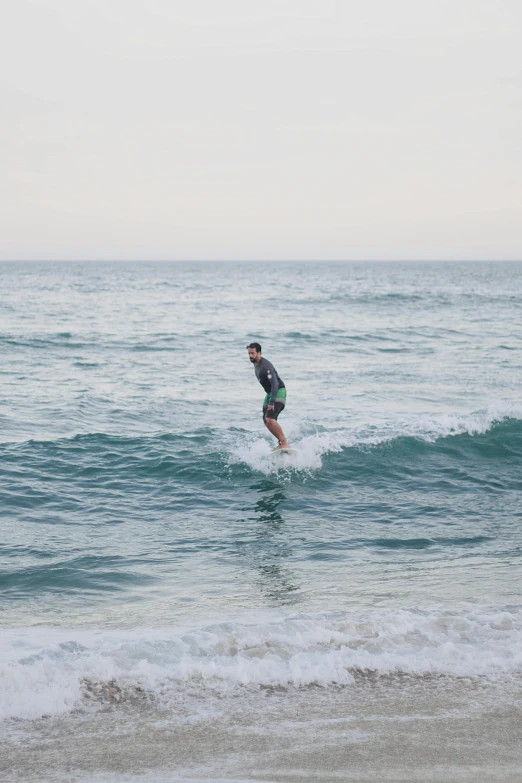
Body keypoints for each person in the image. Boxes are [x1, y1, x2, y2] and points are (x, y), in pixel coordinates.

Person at [246, 342, 290, 451]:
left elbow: (275, 383)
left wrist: (271, 402)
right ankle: (281, 442)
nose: (250, 356)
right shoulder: (256, 364)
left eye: (253, 353)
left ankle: (284, 443)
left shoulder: (266, 366)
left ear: (259, 353)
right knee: (266, 421)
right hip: (269, 393)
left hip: (278, 391)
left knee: (269, 419)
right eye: (249, 353)